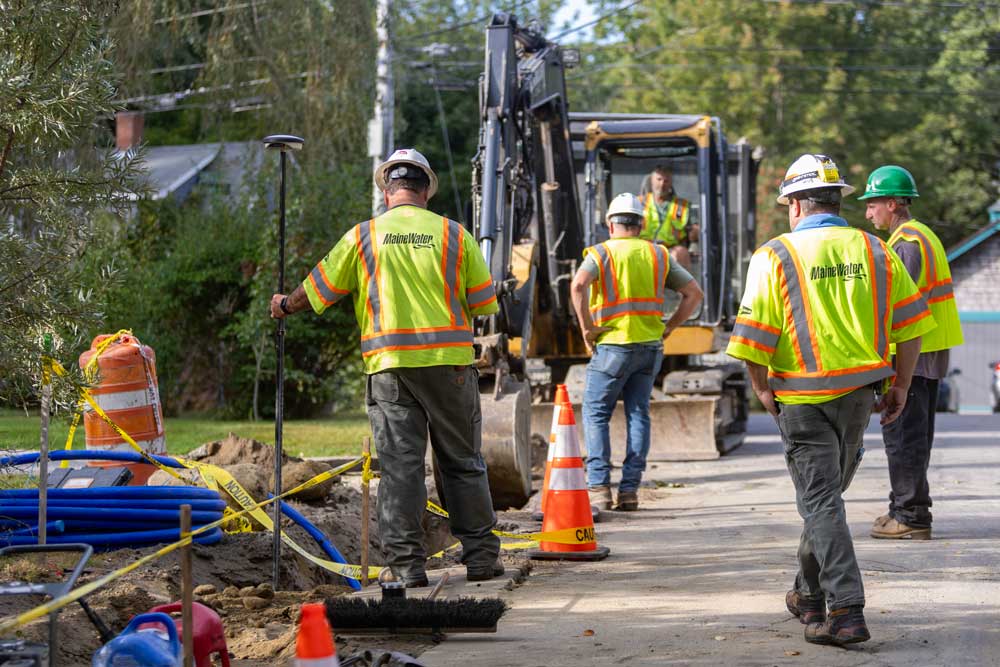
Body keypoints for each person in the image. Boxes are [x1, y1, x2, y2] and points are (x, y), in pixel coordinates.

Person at [726, 154, 935, 646]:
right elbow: (911, 327)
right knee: (825, 504)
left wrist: (760, 387)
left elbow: (754, 335)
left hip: (800, 398)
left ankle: (845, 610)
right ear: (838, 199)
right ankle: (807, 595)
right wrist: (902, 384)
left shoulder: (774, 255)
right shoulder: (876, 250)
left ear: (796, 203)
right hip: (861, 397)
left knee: (820, 504)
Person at [270, 148, 503, 587]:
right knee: (463, 462)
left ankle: (408, 567)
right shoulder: (455, 235)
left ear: (386, 191)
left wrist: (284, 305)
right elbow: (484, 302)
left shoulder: (364, 236)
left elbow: (317, 289)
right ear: (426, 191)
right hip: (451, 367)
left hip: (392, 368)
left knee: (401, 468)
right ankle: (482, 560)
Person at [571, 193, 703, 511]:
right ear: (641, 224)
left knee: (596, 413)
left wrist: (587, 328)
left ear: (609, 223)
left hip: (613, 347)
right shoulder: (658, 254)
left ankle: (599, 488)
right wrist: (669, 327)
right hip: (650, 348)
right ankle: (629, 491)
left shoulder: (601, 253)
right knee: (638, 414)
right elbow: (693, 293)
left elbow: (577, 286)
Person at [860, 165, 964, 541]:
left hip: (914, 353)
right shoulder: (921, 236)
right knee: (912, 434)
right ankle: (905, 508)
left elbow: (897, 308)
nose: (869, 213)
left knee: (903, 434)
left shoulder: (906, 244)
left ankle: (910, 515)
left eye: (873, 205)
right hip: (928, 349)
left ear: (893, 203)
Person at [639, 165, 700, 269]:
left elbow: (696, 230)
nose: (662, 184)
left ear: (671, 183)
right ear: (651, 181)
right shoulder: (637, 203)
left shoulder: (684, 206)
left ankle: (681, 285)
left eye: (666, 181)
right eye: (659, 179)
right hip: (643, 248)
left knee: (681, 253)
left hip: (671, 249)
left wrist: (695, 231)